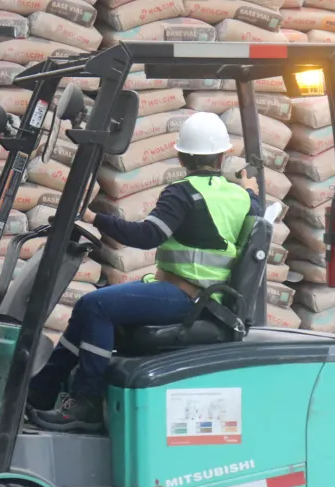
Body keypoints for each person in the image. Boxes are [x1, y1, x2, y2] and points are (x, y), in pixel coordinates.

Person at [26, 112, 262, 433]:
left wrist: (94, 218)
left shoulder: (183, 193)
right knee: (87, 310)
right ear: (223, 155)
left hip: (186, 297)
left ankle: (86, 402)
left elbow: (147, 236)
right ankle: (39, 391)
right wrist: (251, 189)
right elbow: (255, 209)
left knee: (95, 305)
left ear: (181, 155)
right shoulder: (243, 198)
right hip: (206, 297)